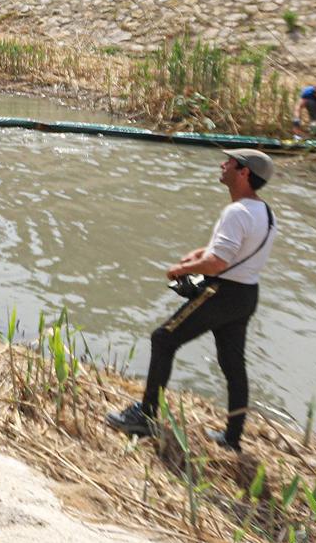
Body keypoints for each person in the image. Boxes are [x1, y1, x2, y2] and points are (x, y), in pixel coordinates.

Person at [105, 149, 279, 451]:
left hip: (221, 294)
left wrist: (181, 269)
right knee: (233, 365)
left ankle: (144, 417)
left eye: (230, 163)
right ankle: (233, 439)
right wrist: (202, 252)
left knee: (163, 339)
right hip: (246, 295)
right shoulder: (264, 212)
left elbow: (218, 264)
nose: (223, 165)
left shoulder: (236, 212)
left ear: (244, 173)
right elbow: (235, 249)